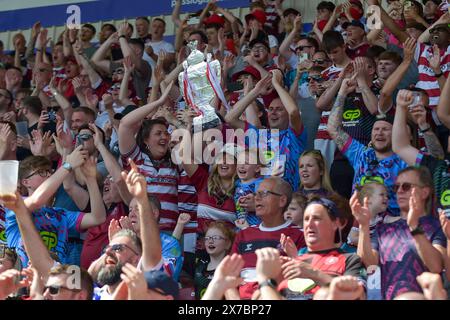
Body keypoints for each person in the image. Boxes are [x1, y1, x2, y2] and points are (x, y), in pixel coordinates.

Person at [352, 166, 447, 299]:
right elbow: (370, 264)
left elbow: (436, 266)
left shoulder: (438, 226)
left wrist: (414, 227)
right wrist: (363, 225)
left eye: (406, 186)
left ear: (424, 192)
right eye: (396, 187)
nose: (400, 191)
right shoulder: (382, 228)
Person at [327, 77, 408, 216]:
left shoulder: (405, 160)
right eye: (376, 129)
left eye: (385, 129)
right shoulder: (361, 153)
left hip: (392, 227)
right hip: (360, 224)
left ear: (395, 134)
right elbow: (333, 128)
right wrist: (342, 92)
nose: (379, 133)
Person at [277, 195, 366, 300]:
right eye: (306, 219)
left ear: (336, 224)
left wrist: (314, 274)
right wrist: (272, 279)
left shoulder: (350, 259)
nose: (309, 224)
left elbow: (358, 297)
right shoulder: (291, 262)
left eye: (316, 218)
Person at [230, 176, 305, 299]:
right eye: (256, 194)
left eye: (263, 193)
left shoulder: (299, 236)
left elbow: (302, 281)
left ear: (282, 201)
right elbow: (229, 280)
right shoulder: (243, 234)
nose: (257, 198)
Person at [194, 221, 235, 299]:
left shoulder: (232, 270)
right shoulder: (198, 265)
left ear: (228, 243)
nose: (210, 241)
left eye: (216, 238)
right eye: (207, 238)